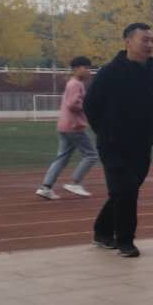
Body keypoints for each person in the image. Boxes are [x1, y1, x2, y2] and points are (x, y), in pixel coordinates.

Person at [83, 23, 153, 257]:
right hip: (112, 143)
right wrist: (105, 131)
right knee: (126, 191)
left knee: (124, 190)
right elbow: (91, 105)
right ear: (128, 42)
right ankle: (125, 241)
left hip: (142, 143)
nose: (149, 44)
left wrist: (144, 123)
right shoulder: (110, 72)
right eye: (145, 40)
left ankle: (102, 231)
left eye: (152, 40)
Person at [37, 56, 100, 200]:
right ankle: (75, 182)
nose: (88, 71)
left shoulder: (73, 83)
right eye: (86, 68)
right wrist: (88, 106)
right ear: (76, 69)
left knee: (62, 158)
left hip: (65, 126)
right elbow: (73, 104)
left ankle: (46, 187)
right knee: (91, 155)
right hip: (74, 126)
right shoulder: (76, 84)